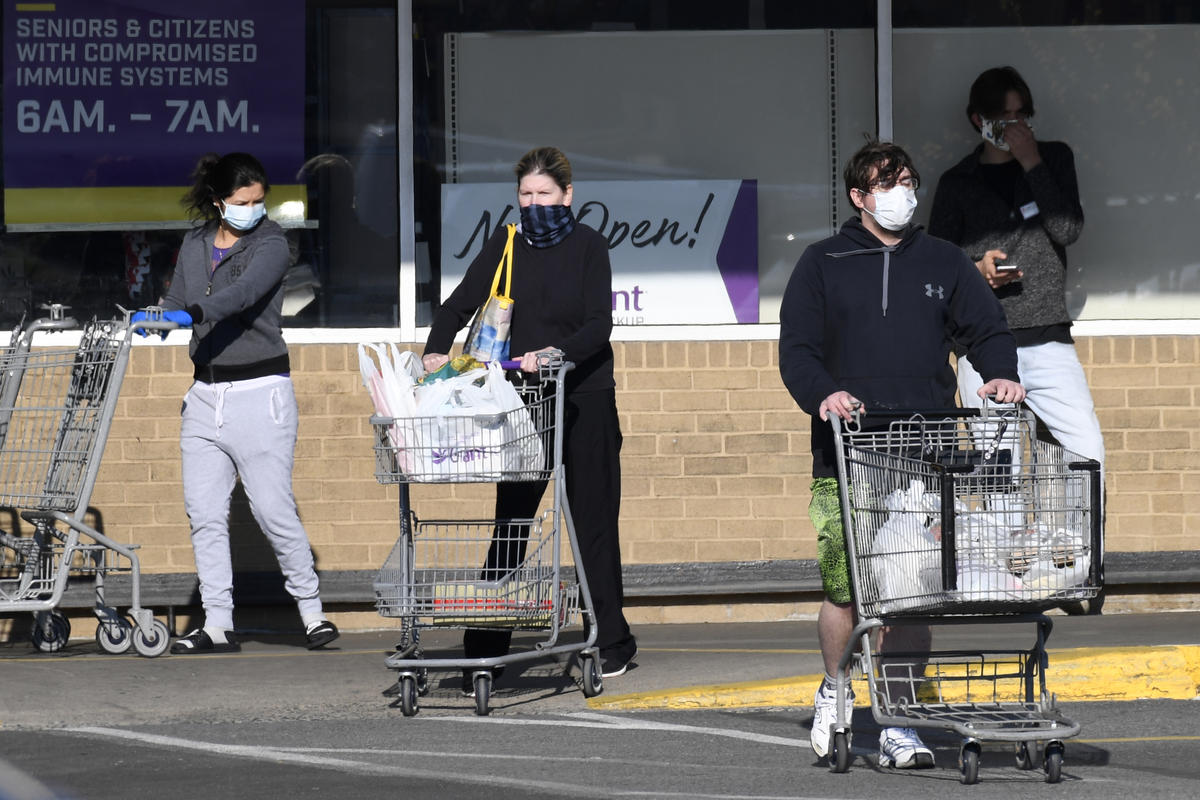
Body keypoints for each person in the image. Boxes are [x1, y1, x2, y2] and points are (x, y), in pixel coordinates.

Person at [779, 140, 1025, 768]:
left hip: (926, 449)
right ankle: (836, 688)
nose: (902, 193)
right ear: (859, 197)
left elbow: (987, 329)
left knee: (912, 590)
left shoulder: (944, 260)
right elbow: (798, 350)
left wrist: (999, 373)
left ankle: (897, 717)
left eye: (908, 181)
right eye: (886, 183)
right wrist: (823, 393)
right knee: (847, 588)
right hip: (849, 452)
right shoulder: (822, 262)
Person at [424, 146, 637, 688]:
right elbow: (458, 303)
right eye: (526, 194)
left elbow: (599, 324)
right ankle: (484, 645)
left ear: (567, 195)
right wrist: (435, 349)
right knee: (513, 521)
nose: (535, 202)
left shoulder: (589, 245)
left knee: (592, 524)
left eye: (545, 193)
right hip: (523, 402)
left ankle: (610, 641)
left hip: (583, 397)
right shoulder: (507, 243)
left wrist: (557, 354)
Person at [131, 152, 339, 654]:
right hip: (204, 396)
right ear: (218, 201)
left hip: (260, 393)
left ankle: (312, 613)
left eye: (259, 200)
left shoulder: (272, 243)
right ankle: (218, 623)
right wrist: (158, 317)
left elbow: (243, 294)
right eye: (243, 202)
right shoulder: (195, 243)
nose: (253, 209)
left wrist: (192, 315)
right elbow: (179, 300)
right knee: (203, 514)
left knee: (272, 511)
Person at [928, 66, 1104, 475]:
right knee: (998, 467)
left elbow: (1067, 228)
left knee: (1086, 452)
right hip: (981, 344)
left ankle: (1085, 522)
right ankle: (1003, 520)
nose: (1017, 125)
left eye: (1023, 114)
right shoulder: (958, 181)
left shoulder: (1053, 159)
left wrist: (1031, 162)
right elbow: (937, 266)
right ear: (980, 120)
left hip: (1047, 337)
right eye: (1006, 117)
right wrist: (977, 271)